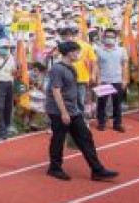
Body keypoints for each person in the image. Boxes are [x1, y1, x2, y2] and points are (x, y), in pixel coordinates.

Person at [46, 42, 118, 182]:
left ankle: (97, 170)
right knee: (58, 139)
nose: (78, 55)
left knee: (85, 137)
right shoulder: (57, 69)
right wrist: (64, 112)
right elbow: (56, 91)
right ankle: (54, 168)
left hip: (73, 110)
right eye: (76, 52)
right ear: (68, 53)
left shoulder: (71, 67)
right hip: (59, 111)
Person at [94, 29, 127, 132]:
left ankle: (117, 124)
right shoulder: (99, 50)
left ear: (116, 38)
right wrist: (98, 78)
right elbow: (96, 65)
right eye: (107, 36)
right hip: (104, 80)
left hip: (117, 80)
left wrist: (125, 79)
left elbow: (124, 65)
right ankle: (101, 123)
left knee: (117, 104)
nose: (109, 39)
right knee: (102, 103)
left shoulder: (121, 50)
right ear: (103, 38)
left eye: (112, 36)